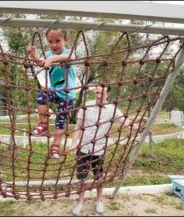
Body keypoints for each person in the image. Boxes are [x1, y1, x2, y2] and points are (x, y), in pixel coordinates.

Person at [70, 85, 141, 215]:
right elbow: (78, 126)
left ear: (107, 94)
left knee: (99, 178)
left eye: (101, 94)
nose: (98, 96)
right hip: (84, 149)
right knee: (81, 178)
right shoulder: (86, 105)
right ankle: (80, 203)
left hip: (99, 150)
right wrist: (74, 143)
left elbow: (125, 122)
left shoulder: (112, 109)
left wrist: (138, 127)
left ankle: (98, 201)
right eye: (96, 92)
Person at [27, 28, 76, 158]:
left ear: (66, 40)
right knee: (42, 94)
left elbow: (71, 57)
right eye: (50, 41)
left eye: (58, 41)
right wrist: (34, 56)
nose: (54, 45)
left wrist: (54, 58)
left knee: (60, 121)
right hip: (55, 90)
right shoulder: (49, 54)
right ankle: (43, 124)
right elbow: (41, 64)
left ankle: (55, 147)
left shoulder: (68, 52)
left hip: (67, 95)